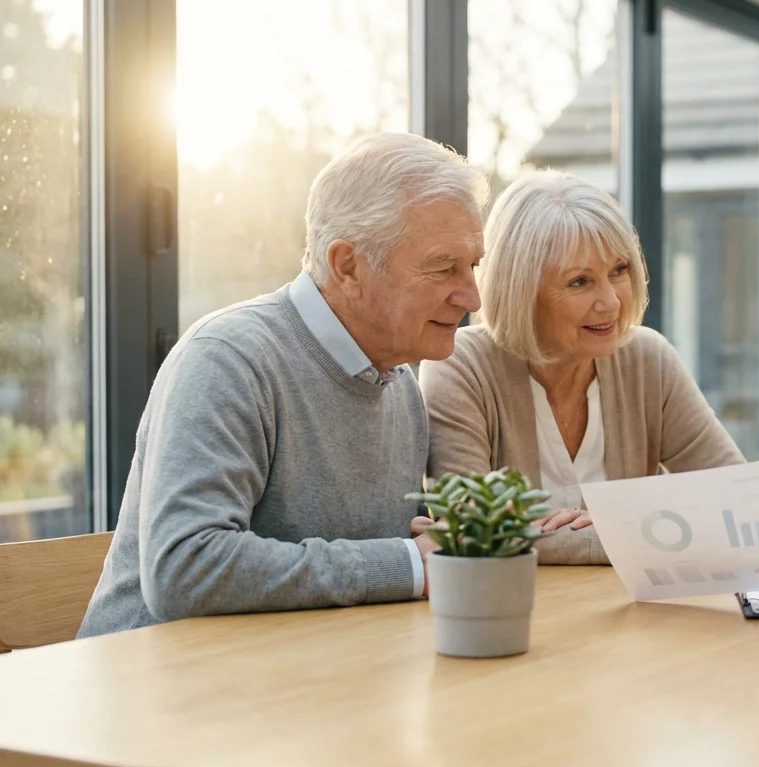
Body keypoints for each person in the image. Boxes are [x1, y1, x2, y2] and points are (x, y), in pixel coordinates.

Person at [79, 133, 489, 637]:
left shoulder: (400, 384)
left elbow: (407, 554)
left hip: (297, 681)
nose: (470, 294)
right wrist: (406, 563)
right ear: (348, 266)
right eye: (444, 267)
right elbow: (186, 570)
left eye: (472, 266)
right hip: (155, 695)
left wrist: (472, 539)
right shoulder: (229, 359)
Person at [419, 170, 744, 565]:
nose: (610, 302)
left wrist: (558, 533)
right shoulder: (460, 365)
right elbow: (472, 534)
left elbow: (739, 503)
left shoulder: (647, 358)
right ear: (521, 290)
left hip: (631, 619)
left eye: (619, 270)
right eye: (579, 282)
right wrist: (638, 530)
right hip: (512, 615)